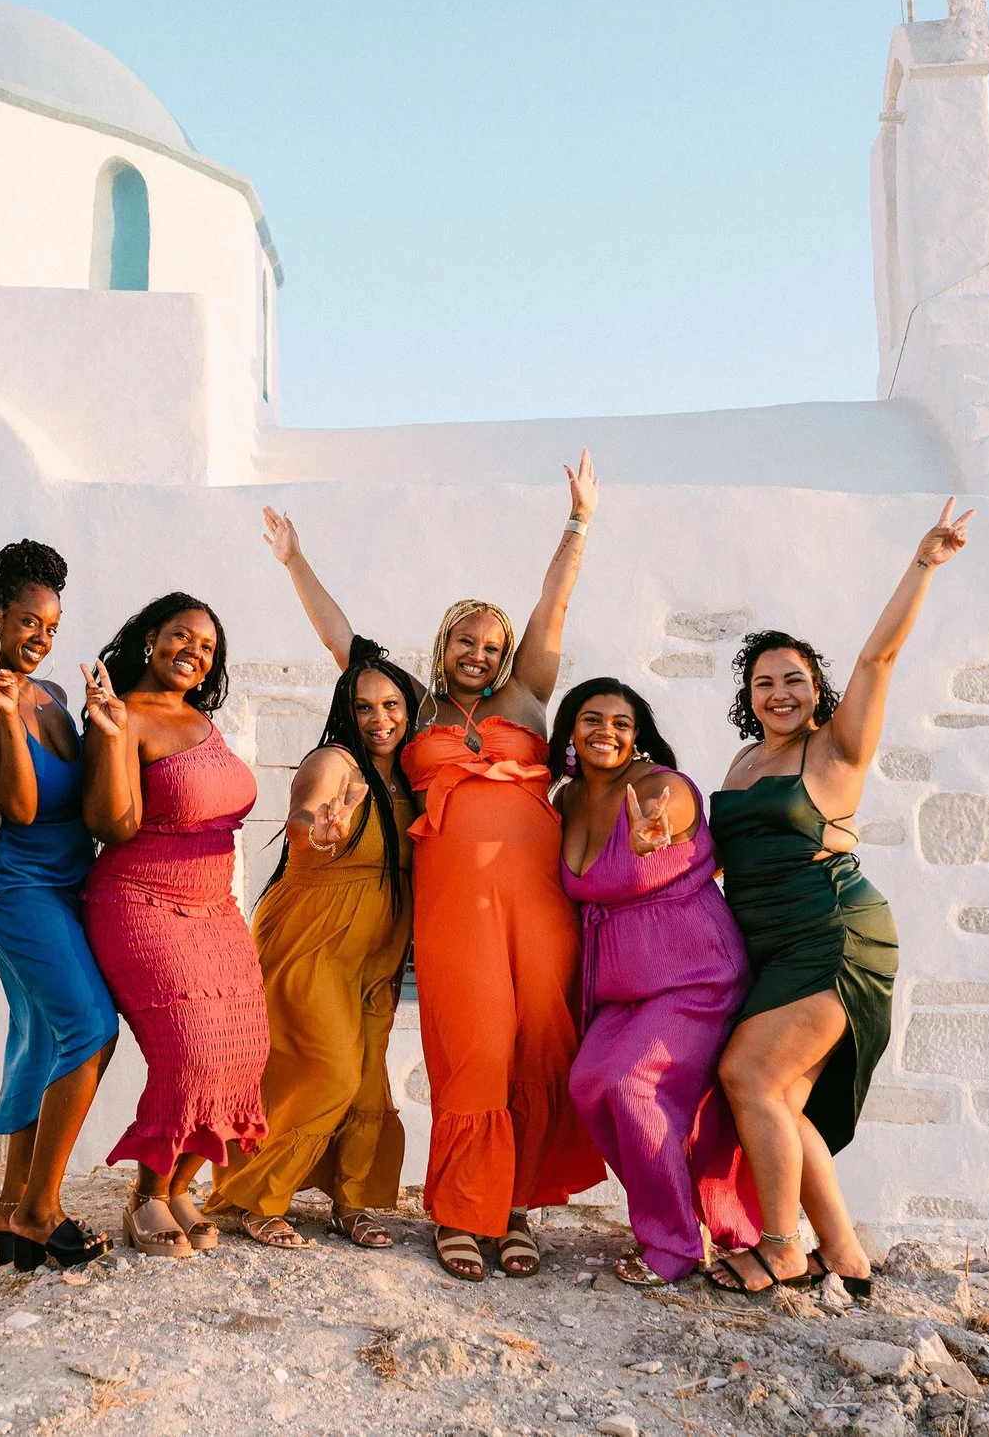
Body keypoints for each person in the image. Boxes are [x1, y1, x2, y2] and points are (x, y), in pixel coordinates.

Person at [262, 455, 605, 1284]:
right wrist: (295, 562)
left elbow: (552, 606)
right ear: (443, 642)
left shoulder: (527, 697)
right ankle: (461, 1208)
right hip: (453, 905)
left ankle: (515, 1207)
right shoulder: (411, 706)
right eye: (465, 640)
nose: (479, 654)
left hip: (540, 902)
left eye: (491, 644)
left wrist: (578, 523)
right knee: (472, 1046)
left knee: (535, 1044)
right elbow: (342, 643)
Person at [707, 498, 975, 1296]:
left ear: (817, 688)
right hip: (772, 945)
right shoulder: (743, 766)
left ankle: (784, 1246)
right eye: (765, 682)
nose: (780, 692)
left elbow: (876, 661)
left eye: (795, 679)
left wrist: (922, 563)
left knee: (748, 1076)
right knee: (780, 1097)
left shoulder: (835, 751)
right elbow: (719, 865)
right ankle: (846, 1254)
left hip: (835, 933)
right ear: (748, 696)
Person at [210, 643, 424, 1251]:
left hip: (379, 950)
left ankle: (351, 1202)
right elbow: (306, 815)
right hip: (312, 938)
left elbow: (344, 638)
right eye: (362, 707)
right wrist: (318, 831)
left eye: (390, 704)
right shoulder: (335, 762)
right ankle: (258, 1197)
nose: (378, 718)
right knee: (329, 1072)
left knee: (365, 1080)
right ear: (344, 713)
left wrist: (295, 562)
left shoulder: (410, 773)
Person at [551, 678, 759, 1288]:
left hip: (695, 975)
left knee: (633, 1084)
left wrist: (653, 837)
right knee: (590, 1084)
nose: (606, 732)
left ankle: (671, 1246)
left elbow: (668, 823)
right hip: (620, 983)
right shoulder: (565, 802)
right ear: (569, 731)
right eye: (592, 719)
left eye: (621, 722)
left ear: (638, 734)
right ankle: (679, 1215)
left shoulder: (659, 789)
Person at [0, 540, 119, 1273]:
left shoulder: (49, 693)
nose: (40, 638)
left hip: (67, 879)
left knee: (43, 1032)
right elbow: (18, 804)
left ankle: (12, 1205)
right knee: (90, 1025)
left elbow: (85, 797)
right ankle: (43, 1210)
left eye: (50, 626)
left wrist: (102, 722)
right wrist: (10, 718)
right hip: (15, 882)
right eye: (27, 622)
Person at [79, 593, 268, 1258]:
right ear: (150, 637)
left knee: (245, 1050)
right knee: (187, 1050)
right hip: (140, 900)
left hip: (215, 908)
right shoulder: (123, 712)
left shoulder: (200, 719)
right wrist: (107, 734)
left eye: (207, 646)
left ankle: (180, 1185)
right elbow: (113, 824)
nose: (193, 650)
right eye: (181, 635)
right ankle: (146, 1199)